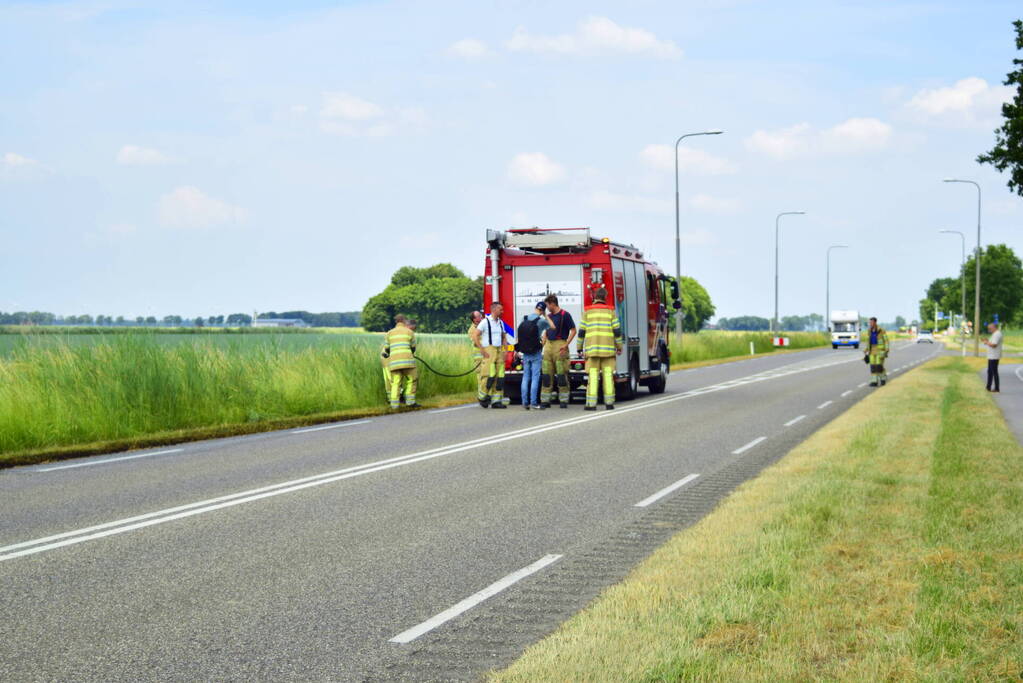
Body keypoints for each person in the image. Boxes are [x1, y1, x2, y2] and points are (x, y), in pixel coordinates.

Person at [578, 287, 622, 410]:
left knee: (592, 376)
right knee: (608, 376)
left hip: (592, 351)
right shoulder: (610, 311)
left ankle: (591, 404)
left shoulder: (587, 311)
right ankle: (609, 403)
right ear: (605, 298)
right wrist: (619, 346)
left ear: (595, 297)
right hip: (608, 351)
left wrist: (579, 348)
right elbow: (617, 331)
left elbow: (582, 331)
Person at [540, 294, 577, 409]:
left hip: (560, 344)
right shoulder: (549, 316)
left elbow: (573, 330)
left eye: (547, 305)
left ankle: (564, 400)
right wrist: (544, 340)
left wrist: (566, 344)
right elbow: (546, 330)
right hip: (548, 346)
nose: (546, 308)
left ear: (553, 304)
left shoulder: (565, 315)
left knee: (561, 375)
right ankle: (545, 400)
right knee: (546, 375)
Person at [516, 302, 548, 409]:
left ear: (535, 308)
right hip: (536, 352)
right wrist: (546, 315)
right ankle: (533, 403)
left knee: (525, 377)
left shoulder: (524, 318)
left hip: (525, 352)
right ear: (542, 310)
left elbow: (519, 336)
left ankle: (525, 402)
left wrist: (517, 350)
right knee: (535, 378)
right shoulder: (541, 321)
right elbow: (552, 327)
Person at [476, 302, 508, 408]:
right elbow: (475, 336)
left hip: (499, 350)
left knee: (500, 376)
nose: (502, 311)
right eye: (500, 309)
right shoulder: (485, 322)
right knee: (488, 375)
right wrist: (482, 350)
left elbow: (504, 337)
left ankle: (496, 401)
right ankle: (482, 397)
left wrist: (505, 350)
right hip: (489, 350)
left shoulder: (501, 323)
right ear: (494, 310)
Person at [383, 314, 417, 408]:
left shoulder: (389, 333)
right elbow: (413, 347)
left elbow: (386, 348)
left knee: (396, 383)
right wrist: (411, 353)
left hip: (394, 363)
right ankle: (410, 402)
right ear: (404, 321)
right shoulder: (409, 332)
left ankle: (394, 405)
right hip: (408, 362)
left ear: (396, 321)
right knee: (412, 379)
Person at [864, 317, 889, 387]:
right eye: (870, 322)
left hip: (880, 350)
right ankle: (874, 381)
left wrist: (886, 349)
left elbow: (886, 341)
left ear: (875, 322)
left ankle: (883, 379)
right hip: (871, 350)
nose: (870, 324)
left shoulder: (881, 330)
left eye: (871, 322)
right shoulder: (869, 331)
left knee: (878, 366)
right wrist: (866, 349)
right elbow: (868, 341)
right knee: (873, 367)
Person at [468, 310, 486, 403]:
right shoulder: (472, 330)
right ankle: (481, 396)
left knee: (486, 376)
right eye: (479, 316)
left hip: (485, 356)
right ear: (475, 319)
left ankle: (485, 395)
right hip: (479, 358)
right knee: (481, 377)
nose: (481, 316)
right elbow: (476, 342)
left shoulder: (481, 326)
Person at [983, 322, 1003, 392]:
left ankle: (996, 388)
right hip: (992, 356)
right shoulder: (995, 334)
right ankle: (988, 387)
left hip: (994, 356)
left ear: (994, 327)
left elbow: (994, 345)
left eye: (990, 328)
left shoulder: (997, 334)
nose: (989, 330)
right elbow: (992, 342)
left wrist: (986, 342)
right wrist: (988, 341)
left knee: (994, 372)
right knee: (990, 372)